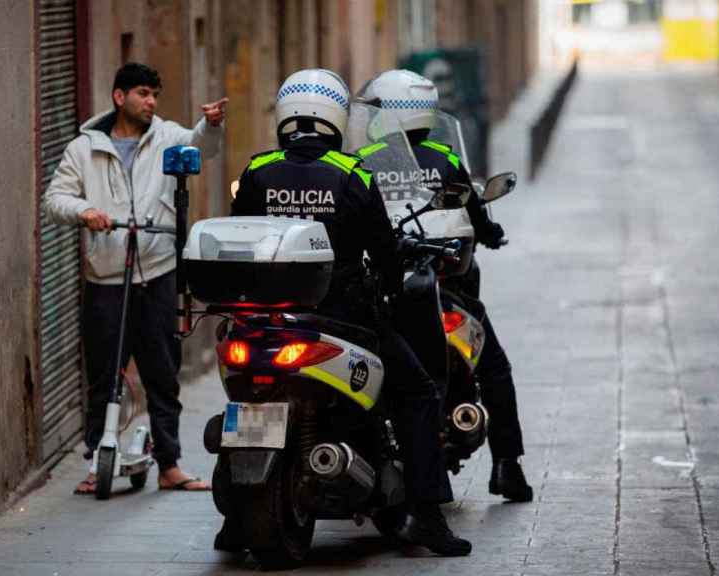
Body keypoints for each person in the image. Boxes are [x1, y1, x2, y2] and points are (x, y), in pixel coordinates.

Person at [221, 68, 471, 557]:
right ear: (337, 116)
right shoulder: (353, 174)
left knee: (242, 398)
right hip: (343, 318)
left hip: (265, 321)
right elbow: (383, 252)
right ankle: (428, 514)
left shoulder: (257, 170)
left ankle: (235, 521)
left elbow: (240, 237)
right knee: (419, 394)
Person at [44, 62, 228, 495]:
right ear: (119, 96)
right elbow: (56, 199)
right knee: (104, 374)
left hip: (157, 272)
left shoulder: (166, 136)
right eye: (143, 93)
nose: (151, 102)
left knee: (163, 373)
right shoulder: (84, 148)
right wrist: (84, 212)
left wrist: (211, 124)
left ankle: (170, 464)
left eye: (154, 95)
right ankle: (97, 460)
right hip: (106, 277)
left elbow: (202, 146)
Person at [355, 69, 533, 503]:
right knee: (493, 366)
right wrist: (490, 233)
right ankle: (507, 466)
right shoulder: (447, 160)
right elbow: (477, 218)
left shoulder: (365, 161)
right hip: (440, 285)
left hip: (382, 286)